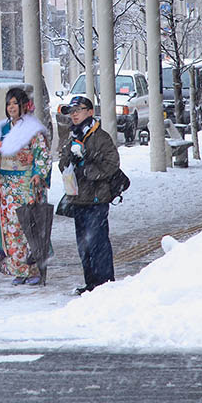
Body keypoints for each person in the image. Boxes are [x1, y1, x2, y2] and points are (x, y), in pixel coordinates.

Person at [0, 86, 51, 285]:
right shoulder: (2, 129)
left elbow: (42, 154)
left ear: (23, 106)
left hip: (26, 183)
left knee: (28, 225)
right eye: (9, 103)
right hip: (5, 185)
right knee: (10, 228)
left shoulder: (32, 129)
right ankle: (20, 270)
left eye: (15, 103)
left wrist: (39, 174)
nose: (11, 107)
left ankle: (35, 269)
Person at [57, 94, 121, 294]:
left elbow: (112, 164)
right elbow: (62, 164)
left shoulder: (100, 137)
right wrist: (69, 161)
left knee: (98, 244)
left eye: (78, 110)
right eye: (71, 112)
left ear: (90, 112)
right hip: (79, 199)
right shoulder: (72, 135)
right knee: (84, 246)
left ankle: (105, 285)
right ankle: (91, 283)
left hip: (96, 199)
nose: (74, 115)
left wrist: (87, 164)